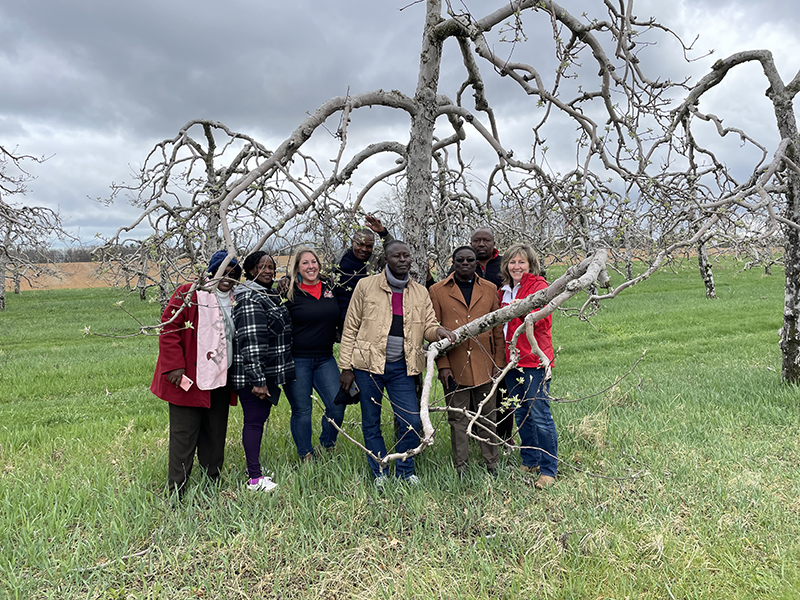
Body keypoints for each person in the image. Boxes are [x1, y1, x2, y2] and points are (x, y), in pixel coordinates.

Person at [339, 240, 456, 485]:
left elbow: (428, 326)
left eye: (406, 256)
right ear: (386, 260)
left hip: (403, 367)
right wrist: (346, 367)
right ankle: (379, 471)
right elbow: (350, 328)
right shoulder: (365, 286)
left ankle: (405, 471)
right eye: (396, 256)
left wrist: (439, 332)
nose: (402, 260)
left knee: (411, 421)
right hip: (368, 366)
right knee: (371, 421)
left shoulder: (420, 291)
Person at [150, 250, 241, 497]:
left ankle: (212, 484)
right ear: (211, 271)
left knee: (215, 434)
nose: (227, 277)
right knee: (184, 436)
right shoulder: (190, 293)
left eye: (233, 273)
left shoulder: (236, 299)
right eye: (222, 271)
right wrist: (174, 366)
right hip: (188, 379)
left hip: (221, 379)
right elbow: (169, 328)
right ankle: (176, 490)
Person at [429, 246, 506, 477]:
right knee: (457, 419)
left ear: (476, 263)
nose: (465, 263)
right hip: (454, 365)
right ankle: (461, 467)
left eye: (469, 260)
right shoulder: (438, 290)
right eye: (460, 259)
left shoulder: (490, 289)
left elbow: (497, 331)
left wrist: (498, 364)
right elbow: (435, 329)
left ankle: (491, 464)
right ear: (453, 261)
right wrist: (442, 366)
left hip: (485, 364)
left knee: (487, 417)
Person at [231, 251, 296, 492]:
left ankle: (253, 467)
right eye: (262, 267)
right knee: (255, 421)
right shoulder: (249, 297)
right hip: (254, 374)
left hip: (265, 371)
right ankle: (255, 480)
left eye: (271, 267)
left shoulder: (265, 294)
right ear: (249, 271)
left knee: (258, 420)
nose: (268, 271)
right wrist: (257, 379)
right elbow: (251, 340)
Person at [498, 243, 557, 490]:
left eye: (521, 262)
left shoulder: (539, 287)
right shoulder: (504, 291)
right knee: (520, 412)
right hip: (512, 362)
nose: (516, 266)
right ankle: (530, 459)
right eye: (512, 262)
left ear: (531, 264)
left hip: (533, 360)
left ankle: (548, 468)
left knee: (539, 415)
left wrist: (519, 311)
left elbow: (543, 321)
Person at [282, 247, 346, 461]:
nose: (311, 266)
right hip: (297, 359)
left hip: (325, 358)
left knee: (337, 404)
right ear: (297, 268)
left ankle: (327, 445)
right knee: (302, 410)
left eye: (314, 262)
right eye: (305, 263)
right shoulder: (288, 290)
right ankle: (305, 454)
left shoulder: (330, 287)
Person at [335, 215, 393, 323]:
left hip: (366, 317)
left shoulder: (376, 260)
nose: (364, 249)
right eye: (360, 244)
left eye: (369, 246)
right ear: (352, 243)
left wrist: (383, 233)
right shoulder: (338, 258)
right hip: (338, 315)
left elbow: (394, 252)